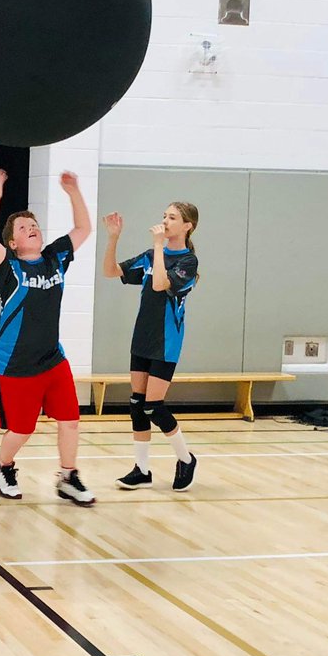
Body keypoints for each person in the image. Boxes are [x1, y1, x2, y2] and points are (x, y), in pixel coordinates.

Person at [0, 169, 94, 506]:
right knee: (22, 430)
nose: (32, 228)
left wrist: (73, 191)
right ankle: (1, 466)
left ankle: (68, 476)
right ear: (13, 243)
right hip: (15, 363)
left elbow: (83, 228)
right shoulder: (9, 269)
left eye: (34, 225)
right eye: (23, 228)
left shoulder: (55, 257)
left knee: (71, 420)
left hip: (52, 359)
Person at [102, 203, 200, 492]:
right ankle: (142, 470)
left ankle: (186, 459)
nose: (165, 221)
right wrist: (113, 238)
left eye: (172, 218)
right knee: (137, 406)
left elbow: (160, 284)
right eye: (164, 216)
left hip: (166, 342)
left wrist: (159, 246)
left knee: (154, 407)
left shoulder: (188, 262)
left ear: (187, 226)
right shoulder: (149, 256)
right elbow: (111, 271)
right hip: (142, 337)